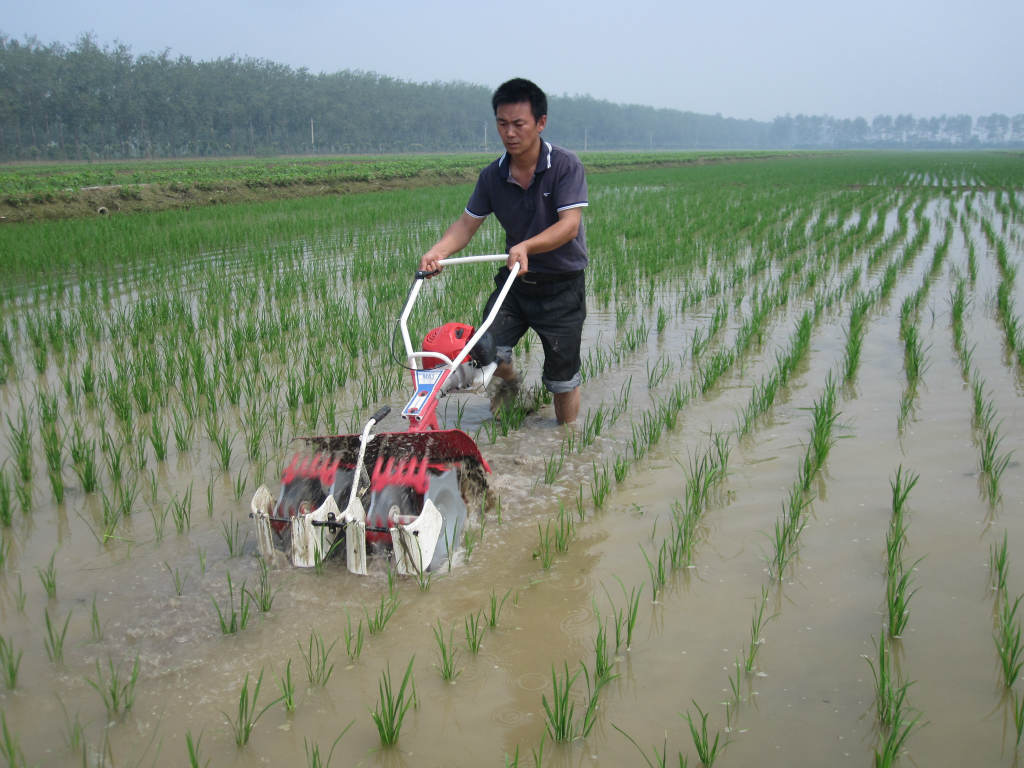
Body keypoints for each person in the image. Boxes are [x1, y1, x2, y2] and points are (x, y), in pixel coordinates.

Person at [419, 77, 588, 424]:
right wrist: (438, 252)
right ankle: (511, 389)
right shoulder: (492, 177)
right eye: (502, 123)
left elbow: (569, 224)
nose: (509, 132)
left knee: (561, 376)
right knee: (483, 348)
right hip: (515, 284)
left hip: (562, 286)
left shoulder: (565, 166)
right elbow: (467, 225)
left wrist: (526, 245)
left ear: (540, 123)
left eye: (518, 124)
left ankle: (567, 441)